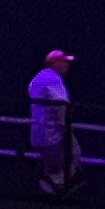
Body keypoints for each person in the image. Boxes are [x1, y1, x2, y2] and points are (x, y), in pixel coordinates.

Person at [26, 48, 77, 195]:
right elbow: (61, 106)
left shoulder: (39, 78)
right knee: (64, 167)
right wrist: (67, 130)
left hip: (39, 133)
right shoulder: (52, 78)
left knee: (50, 168)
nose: (67, 66)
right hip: (53, 134)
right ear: (54, 63)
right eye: (64, 62)